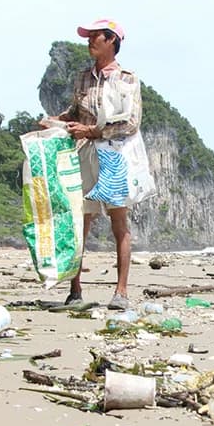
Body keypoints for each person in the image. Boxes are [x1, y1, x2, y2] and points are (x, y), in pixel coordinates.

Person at [49, 18, 143, 311]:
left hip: (114, 155)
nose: (89, 40)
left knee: (118, 223)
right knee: (80, 223)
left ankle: (121, 291)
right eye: (88, 36)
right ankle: (75, 290)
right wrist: (53, 122)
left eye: (95, 36)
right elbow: (73, 112)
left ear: (112, 40)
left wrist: (90, 131)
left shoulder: (128, 79)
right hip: (83, 155)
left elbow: (130, 123)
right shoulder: (82, 78)